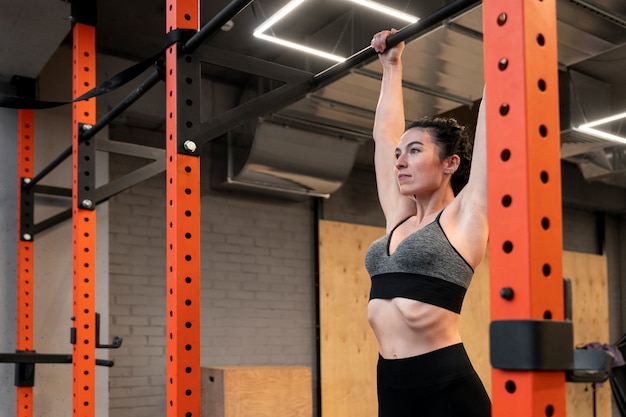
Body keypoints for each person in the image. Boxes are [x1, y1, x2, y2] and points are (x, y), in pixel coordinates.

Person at [365, 29, 491, 417]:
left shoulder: (466, 215)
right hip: (391, 384)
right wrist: (391, 65)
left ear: (450, 163)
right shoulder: (398, 217)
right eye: (401, 154)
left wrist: (509, 40)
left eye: (415, 151)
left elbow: (493, 117)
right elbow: (384, 137)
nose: (399, 161)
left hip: (446, 389)